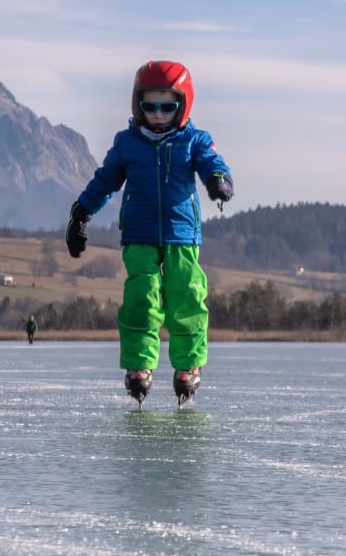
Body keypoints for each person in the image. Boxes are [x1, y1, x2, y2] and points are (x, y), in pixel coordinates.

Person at [65, 60, 232, 405]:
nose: (157, 113)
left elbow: (212, 162)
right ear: (137, 104)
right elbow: (105, 180)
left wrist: (219, 179)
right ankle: (139, 365)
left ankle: (188, 365)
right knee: (142, 299)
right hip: (139, 234)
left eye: (167, 106)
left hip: (182, 235)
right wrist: (81, 212)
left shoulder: (195, 140)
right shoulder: (127, 143)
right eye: (149, 105)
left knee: (186, 297)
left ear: (183, 105)